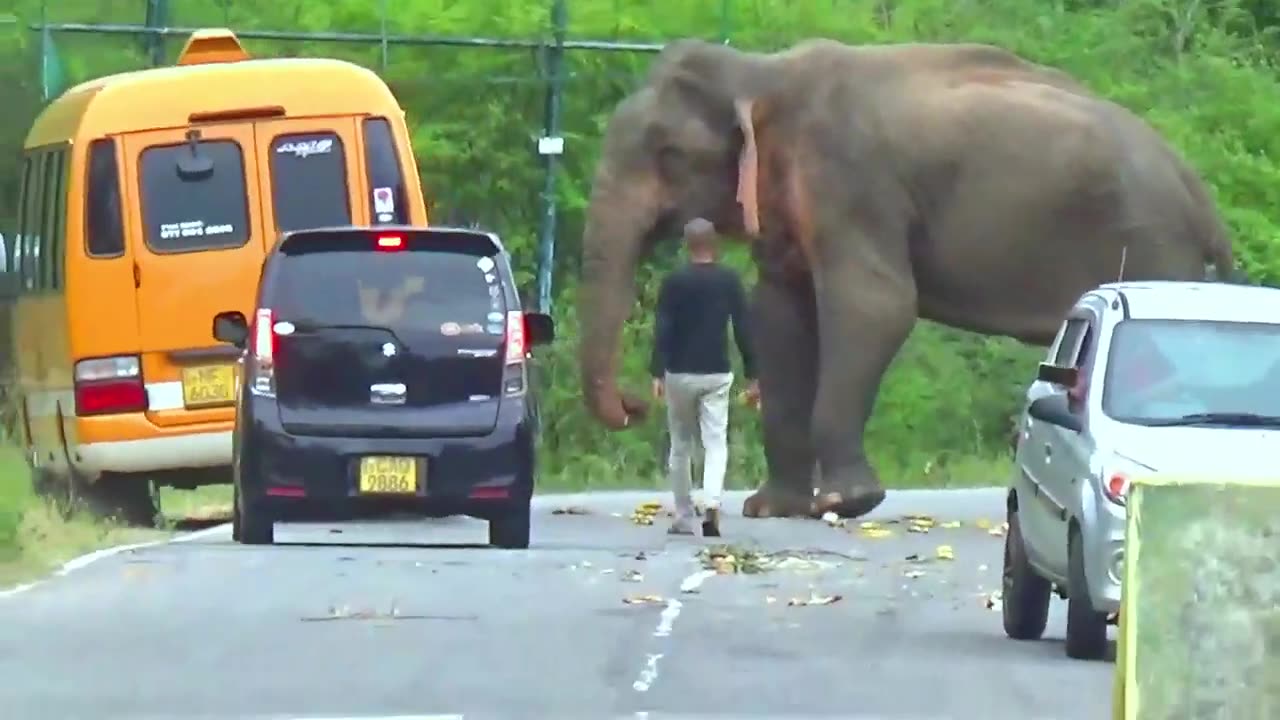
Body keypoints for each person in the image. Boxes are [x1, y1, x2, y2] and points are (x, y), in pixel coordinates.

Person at [650, 218, 759, 537]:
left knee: (680, 445)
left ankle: (684, 517)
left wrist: (656, 371)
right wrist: (754, 374)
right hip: (716, 372)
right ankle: (712, 503)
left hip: (679, 373)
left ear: (687, 245)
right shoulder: (729, 281)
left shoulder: (674, 282)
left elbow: (663, 329)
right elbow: (743, 328)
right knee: (715, 442)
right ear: (715, 245)